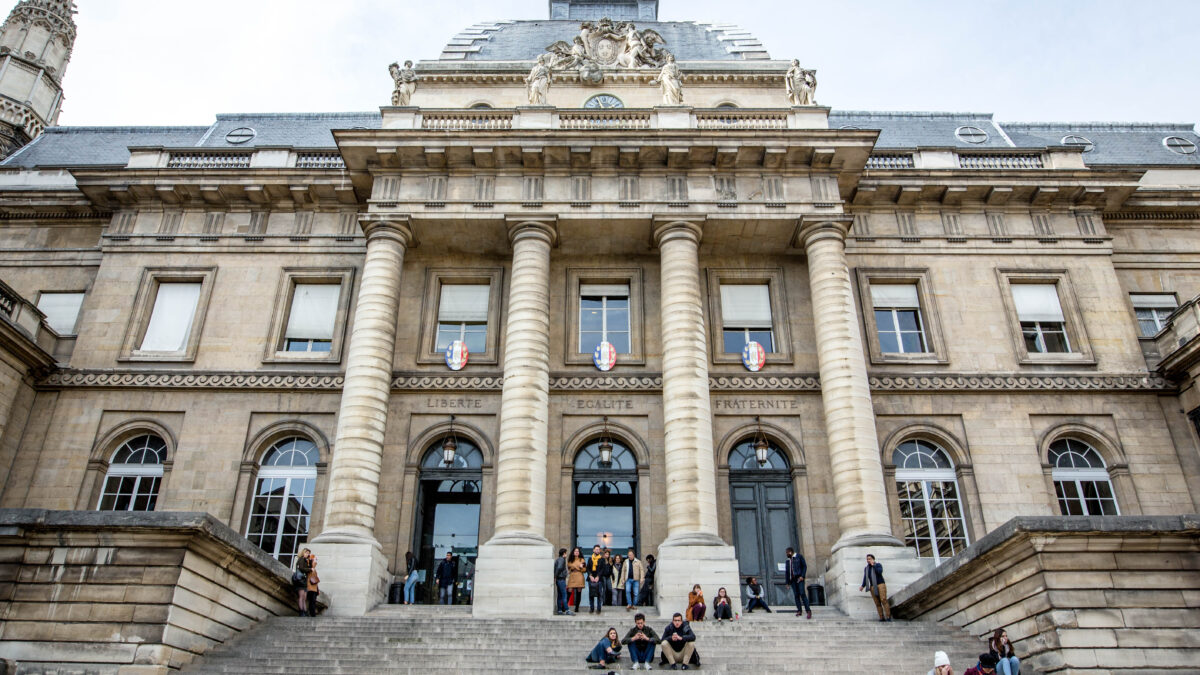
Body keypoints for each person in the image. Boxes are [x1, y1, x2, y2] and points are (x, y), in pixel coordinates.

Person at [858, 553, 891, 622]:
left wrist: (874, 565)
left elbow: (879, 572)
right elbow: (865, 578)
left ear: (873, 559)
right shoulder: (866, 568)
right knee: (877, 602)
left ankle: (888, 616)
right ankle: (881, 617)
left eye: (869, 559)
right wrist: (862, 586)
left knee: (883, 599)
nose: (868, 560)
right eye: (867, 559)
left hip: (880, 584)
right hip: (872, 586)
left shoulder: (878, 565)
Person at [785, 546, 812, 619]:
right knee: (796, 595)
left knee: (802, 593)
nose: (786, 554)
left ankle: (808, 611)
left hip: (799, 578)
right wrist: (787, 582)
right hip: (793, 580)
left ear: (790, 552)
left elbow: (804, 566)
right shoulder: (788, 561)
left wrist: (802, 576)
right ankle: (799, 610)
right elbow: (787, 572)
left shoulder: (799, 557)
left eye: (787, 553)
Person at [586, 545, 608, 614]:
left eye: (598, 549)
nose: (597, 550)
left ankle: (599, 609)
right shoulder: (590, 559)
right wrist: (590, 576)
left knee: (599, 594)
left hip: (599, 579)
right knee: (591, 594)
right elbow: (588, 568)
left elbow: (602, 569)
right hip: (591, 578)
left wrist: (598, 576)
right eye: (596, 549)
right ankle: (591, 608)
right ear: (593, 550)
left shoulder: (602, 559)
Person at [294, 548, 312, 616]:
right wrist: (310, 569)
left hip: (304, 580)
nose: (308, 554)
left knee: (304, 597)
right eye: (306, 553)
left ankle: (304, 611)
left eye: (308, 553)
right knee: (301, 596)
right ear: (303, 553)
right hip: (300, 580)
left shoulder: (306, 560)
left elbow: (308, 567)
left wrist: (310, 561)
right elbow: (301, 568)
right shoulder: (301, 559)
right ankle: (301, 611)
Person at [554, 547, 572, 615]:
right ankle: (567, 610)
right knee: (564, 595)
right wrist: (556, 575)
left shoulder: (558, 559)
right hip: (561, 579)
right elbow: (559, 568)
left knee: (560, 596)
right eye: (566, 553)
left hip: (559, 579)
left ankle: (559, 610)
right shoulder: (562, 559)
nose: (566, 554)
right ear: (564, 554)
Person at [568, 547, 586, 613]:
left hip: (579, 575)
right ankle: (565, 606)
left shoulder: (582, 560)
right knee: (569, 590)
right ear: (573, 552)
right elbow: (569, 566)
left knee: (579, 592)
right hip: (572, 575)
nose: (576, 552)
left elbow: (584, 570)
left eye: (578, 551)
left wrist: (580, 568)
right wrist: (578, 566)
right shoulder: (570, 559)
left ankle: (577, 607)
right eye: (575, 551)